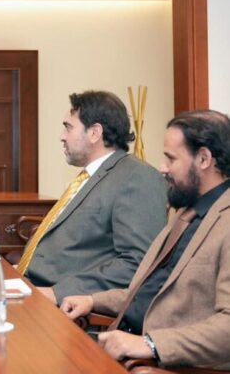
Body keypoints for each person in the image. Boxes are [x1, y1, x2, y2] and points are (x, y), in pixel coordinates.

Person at [62, 110, 230, 370]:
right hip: (119, 344)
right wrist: (93, 300)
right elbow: (152, 294)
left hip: (158, 363)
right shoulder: (187, 213)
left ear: (204, 159)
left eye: (171, 158)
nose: (162, 168)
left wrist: (151, 345)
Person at [17, 90, 167, 305]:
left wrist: (57, 293)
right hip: (32, 285)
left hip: (64, 301)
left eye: (68, 127)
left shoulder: (138, 178)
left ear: (95, 132)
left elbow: (137, 263)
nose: (62, 136)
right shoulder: (89, 176)